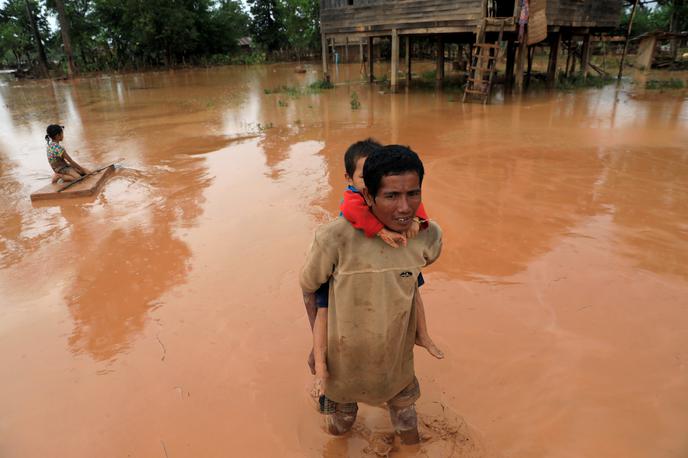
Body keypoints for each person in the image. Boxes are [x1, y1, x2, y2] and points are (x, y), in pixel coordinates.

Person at [301, 145, 443, 444]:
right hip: (344, 362)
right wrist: (318, 349)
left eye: (412, 194)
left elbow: (414, 280)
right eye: (391, 196)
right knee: (340, 429)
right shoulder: (333, 238)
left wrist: (422, 333)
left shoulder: (427, 237)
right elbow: (310, 288)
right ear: (367, 195)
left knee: (408, 430)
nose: (405, 208)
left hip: (396, 362)